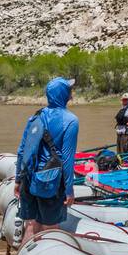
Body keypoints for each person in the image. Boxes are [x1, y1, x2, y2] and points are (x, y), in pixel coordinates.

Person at [14, 76, 79, 241]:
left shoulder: (35, 117)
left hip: (29, 180)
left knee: (30, 226)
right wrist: (69, 190)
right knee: (50, 231)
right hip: (51, 182)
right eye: (69, 90)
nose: (71, 93)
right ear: (64, 94)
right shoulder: (71, 121)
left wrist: (17, 180)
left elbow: (22, 151)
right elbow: (67, 159)